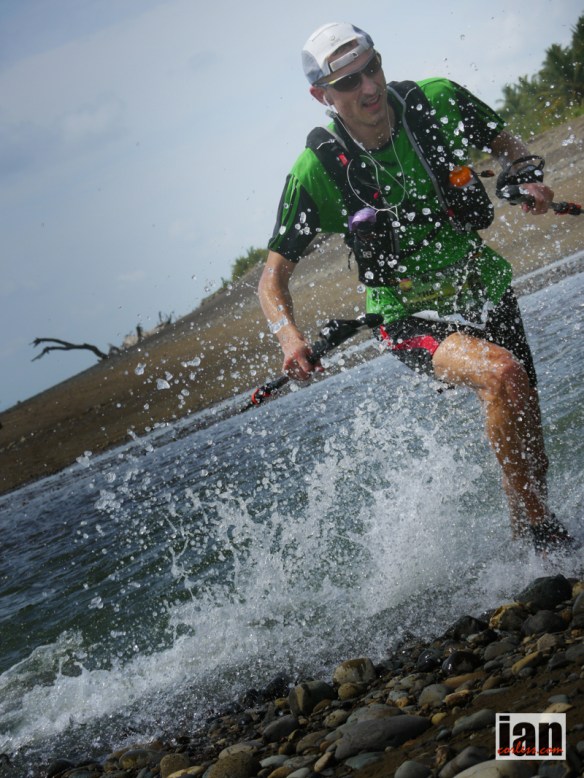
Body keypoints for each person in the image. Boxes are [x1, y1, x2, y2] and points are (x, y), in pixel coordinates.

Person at [258, 21, 576, 555]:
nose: (369, 88)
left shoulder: (437, 101)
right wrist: (288, 336)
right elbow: (272, 280)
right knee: (502, 374)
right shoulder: (315, 170)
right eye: (349, 82)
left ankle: (529, 553)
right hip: (405, 317)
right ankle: (547, 539)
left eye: (373, 68)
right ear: (322, 96)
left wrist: (523, 178)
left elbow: (511, 149)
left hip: (482, 286)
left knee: (527, 427)